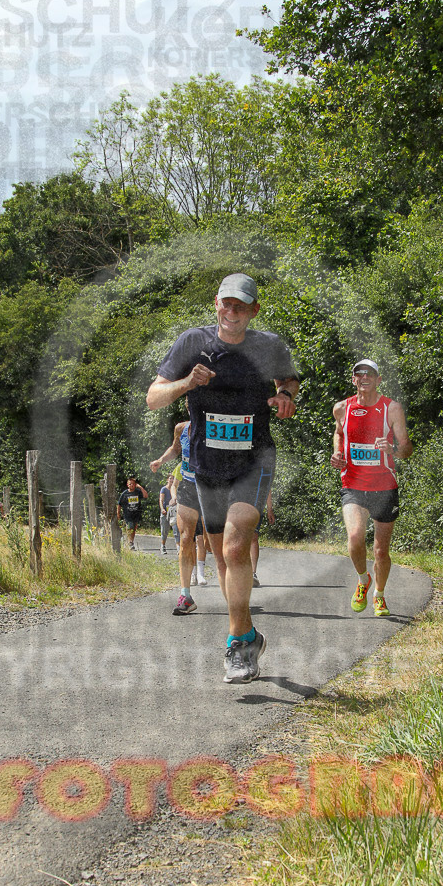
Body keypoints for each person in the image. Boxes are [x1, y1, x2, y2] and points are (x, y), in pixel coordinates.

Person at [147, 272, 299, 683]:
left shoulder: (268, 346)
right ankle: (249, 632)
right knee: (219, 559)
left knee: (235, 549)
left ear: (254, 310)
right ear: (216, 303)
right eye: (226, 304)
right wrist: (186, 382)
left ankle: (236, 645)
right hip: (206, 465)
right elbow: (153, 397)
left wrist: (285, 396)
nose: (232, 312)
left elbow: (289, 379)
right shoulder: (192, 343)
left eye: (241, 306)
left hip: (254, 460)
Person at [331, 359, 413, 617]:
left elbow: (407, 449)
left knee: (380, 550)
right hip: (353, 484)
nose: (364, 377)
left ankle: (379, 594)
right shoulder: (342, 408)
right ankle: (362, 579)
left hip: (384, 487)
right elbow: (339, 433)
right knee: (355, 537)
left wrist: (393, 450)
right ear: (353, 379)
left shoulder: (392, 408)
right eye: (359, 373)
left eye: (370, 373)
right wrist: (336, 452)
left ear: (379, 380)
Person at [151, 420, 209, 613]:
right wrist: (161, 460)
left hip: (212, 488)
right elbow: (175, 449)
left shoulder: (215, 425)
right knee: (185, 539)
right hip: (188, 486)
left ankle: (233, 593)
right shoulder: (181, 428)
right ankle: (185, 596)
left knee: (215, 541)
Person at [117, 476, 148, 550]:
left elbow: (145, 496)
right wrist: (118, 513)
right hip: (128, 514)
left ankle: (131, 542)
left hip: (136, 513)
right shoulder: (125, 494)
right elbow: (119, 504)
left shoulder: (137, 492)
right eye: (130, 484)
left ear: (135, 484)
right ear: (127, 485)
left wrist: (140, 487)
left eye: (133, 484)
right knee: (130, 527)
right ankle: (130, 542)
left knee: (134, 528)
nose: (132, 485)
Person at [251, 489, 274, 587]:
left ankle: (253, 574)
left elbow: (267, 488)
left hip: (256, 507)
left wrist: (269, 509)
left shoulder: (262, 473)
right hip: (238, 505)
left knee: (253, 537)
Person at [156, 474, 174, 554]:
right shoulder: (164, 489)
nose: (172, 480)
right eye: (170, 478)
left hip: (174, 512)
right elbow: (161, 500)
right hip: (165, 512)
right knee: (164, 531)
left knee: (177, 530)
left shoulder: (176, 489)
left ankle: (179, 548)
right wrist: (162, 509)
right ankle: (163, 546)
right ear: (167, 480)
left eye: (173, 478)